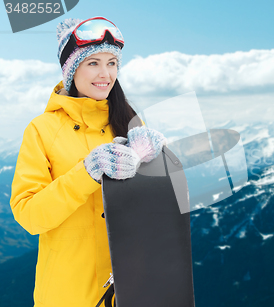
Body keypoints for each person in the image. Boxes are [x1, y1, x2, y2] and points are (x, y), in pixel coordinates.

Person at [10, 17, 164, 306]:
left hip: (127, 290)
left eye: (112, 63)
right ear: (71, 69)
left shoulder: (129, 123)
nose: (105, 73)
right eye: (93, 63)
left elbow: (149, 211)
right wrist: (87, 172)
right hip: (66, 294)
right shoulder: (42, 130)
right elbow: (29, 216)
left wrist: (156, 165)